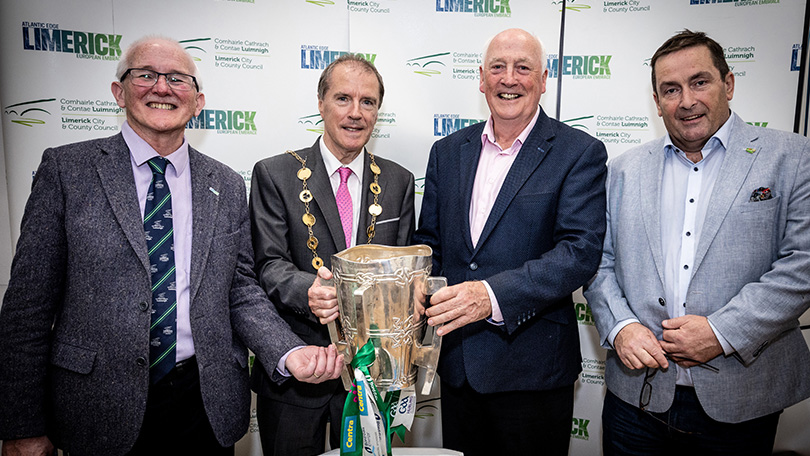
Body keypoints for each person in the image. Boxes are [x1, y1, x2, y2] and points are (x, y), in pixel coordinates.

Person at [0, 36, 342, 456]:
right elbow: (27, 308)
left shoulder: (226, 184)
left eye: (177, 79)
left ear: (197, 102)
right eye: (145, 75)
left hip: (204, 404)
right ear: (118, 91)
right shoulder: (67, 171)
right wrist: (22, 425)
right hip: (97, 407)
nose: (161, 88)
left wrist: (287, 352)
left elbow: (240, 290)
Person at [584, 29, 810, 455]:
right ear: (656, 102)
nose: (686, 100)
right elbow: (599, 262)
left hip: (742, 402)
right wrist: (621, 326)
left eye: (699, 82)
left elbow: (804, 262)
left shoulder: (793, 157)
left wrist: (722, 332)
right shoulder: (624, 170)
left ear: (728, 83)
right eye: (671, 89)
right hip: (635, 400)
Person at [412, 28, 607, 456]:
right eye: (498, 67)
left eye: (523, 68)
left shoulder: (578, 151)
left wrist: (490, 295)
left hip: (533, 370)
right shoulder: (447, 151)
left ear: (543, 78)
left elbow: (579, 252)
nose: (509, 78)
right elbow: (429, 244)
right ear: (481, 78)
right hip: (459, 366)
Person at [248, 53, 415, 455]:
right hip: (297, 369)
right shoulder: (275, 174)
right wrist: (309, 290)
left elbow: (405, 277)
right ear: (320, 103)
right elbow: (267, 264)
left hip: (370, 379)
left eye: (368, 102)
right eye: (343, 99)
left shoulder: (399, 180)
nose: (355, 113)